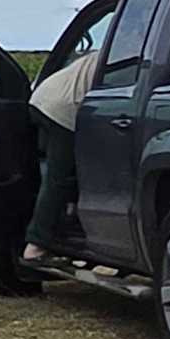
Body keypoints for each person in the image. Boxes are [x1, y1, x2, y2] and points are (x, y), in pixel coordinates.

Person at [26, 24, 100, 261]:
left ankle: (67, 222)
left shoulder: (111, 52)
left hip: (43, 98)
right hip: (62, 109)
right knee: (58, 178)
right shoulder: (124, 59)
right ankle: (36, 244)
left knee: (62, 171)